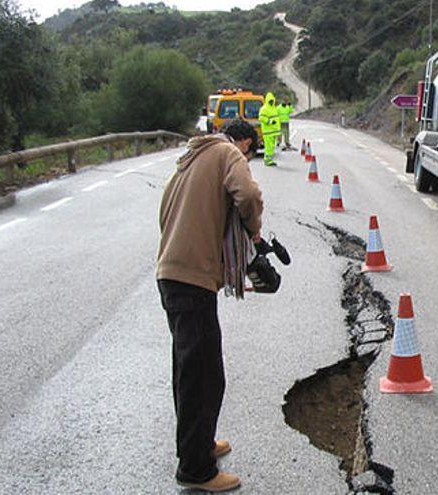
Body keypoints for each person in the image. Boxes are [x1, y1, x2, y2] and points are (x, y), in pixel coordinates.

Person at [156, 119, 264, 493]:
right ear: (245, 142)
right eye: (251, 149)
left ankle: (198, 446)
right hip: (191, 280)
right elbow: (247, 195)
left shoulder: (191, 158)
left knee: (195, 373)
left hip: (173, 274)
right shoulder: (227, 153)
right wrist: (253, 229)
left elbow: (165, 211)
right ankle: (196, 470)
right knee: (201, 378)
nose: (248, 155)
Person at [258, 91, 281, 166]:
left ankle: (269, 159)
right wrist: (270, 121)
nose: (271, 101)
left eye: (272, 100)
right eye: (270, 100)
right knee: (268, 146)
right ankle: (267, 160)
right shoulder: (264, 108)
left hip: (273, 131)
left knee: (271, 146)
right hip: (268, 132)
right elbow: (261, 117)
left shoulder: (274, 108)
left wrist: (278, 131)